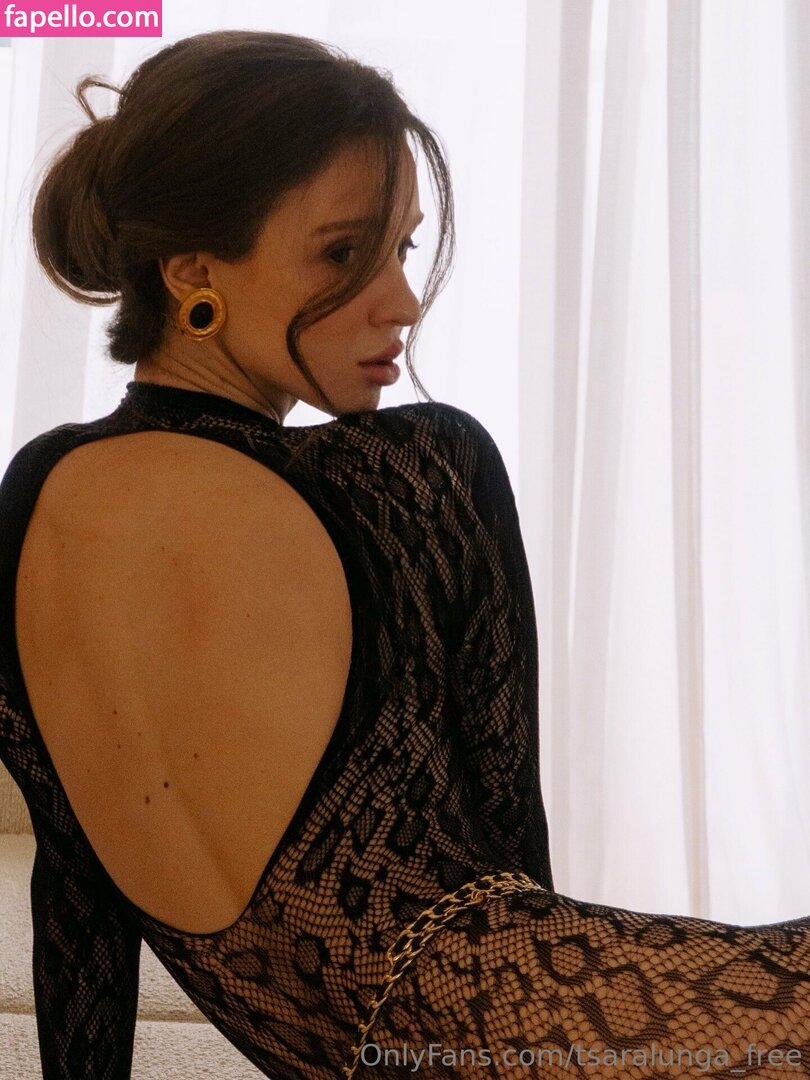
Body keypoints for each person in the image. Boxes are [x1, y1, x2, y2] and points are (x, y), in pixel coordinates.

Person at [0, 28, 808, 1080]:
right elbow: (511, 861)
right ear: (193, 271)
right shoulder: (415, 466)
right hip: (519, 1022)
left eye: (403, 250)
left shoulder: (35, 499)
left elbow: (76, 902)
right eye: (344, 255)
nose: (403, 303)